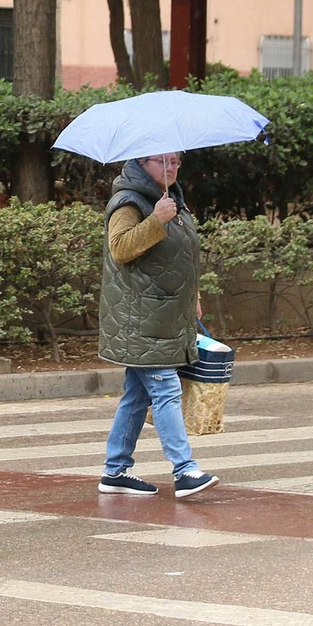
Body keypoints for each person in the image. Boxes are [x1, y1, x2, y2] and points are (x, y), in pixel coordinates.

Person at [96, 152, 219, 499]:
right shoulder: (128, 201)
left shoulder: (172, 199)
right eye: (161, 161)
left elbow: (182, 254)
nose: (171, 168)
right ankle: (184, 471)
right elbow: (120, 248)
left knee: (137, 396)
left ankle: (115, 470)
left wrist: (193, 294)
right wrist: (156, 220)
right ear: (140, 164)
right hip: (141, 318)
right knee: (165, 390)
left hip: (164, 314)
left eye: (176, 161)